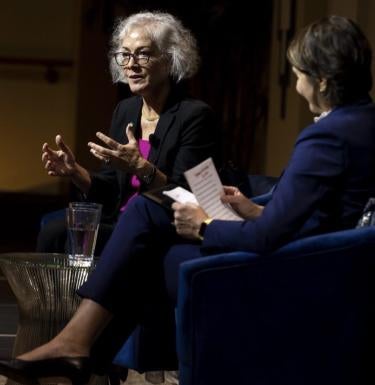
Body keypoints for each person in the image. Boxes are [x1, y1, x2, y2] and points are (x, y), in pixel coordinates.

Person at [1, 14, 375, 385]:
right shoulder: (362, 122)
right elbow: (309, 210)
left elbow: (265, 232)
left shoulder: (324, 137)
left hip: (298, 264)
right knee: (136, 232)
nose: (295, 85)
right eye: (124, 55)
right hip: (314, 252)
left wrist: (205, 226)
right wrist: (254, 208)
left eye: (298, 75)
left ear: (322, 81)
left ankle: (75, 352)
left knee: (149, 227)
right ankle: (78, 355)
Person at [37, 11, 220, 254]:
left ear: (169, 59)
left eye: (143, 54)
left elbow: (187, 196)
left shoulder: (194, 116)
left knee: (57, 233)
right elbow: (112, 188)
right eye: (124, 55)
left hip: (158, 224)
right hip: (120, 220)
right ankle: (59, 294)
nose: (131, 65)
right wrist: (75, 172)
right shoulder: (126, 110)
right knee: (53, 227)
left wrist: (141, 168)